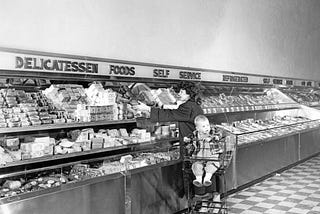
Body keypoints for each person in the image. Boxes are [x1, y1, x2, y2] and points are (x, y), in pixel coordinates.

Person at [184, 115, 223, 187]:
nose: (207, 128)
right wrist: (187, 139)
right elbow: (190, 137)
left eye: (208, 125)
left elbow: (219, 134)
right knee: (196, 165)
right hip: (199, 156)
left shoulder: (212, 132)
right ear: (197, 128)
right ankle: (198, 179)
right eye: (203, 126)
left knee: (212, 165)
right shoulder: (195, 134)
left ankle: (207, 179)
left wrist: (212, 138)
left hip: (211, 155)